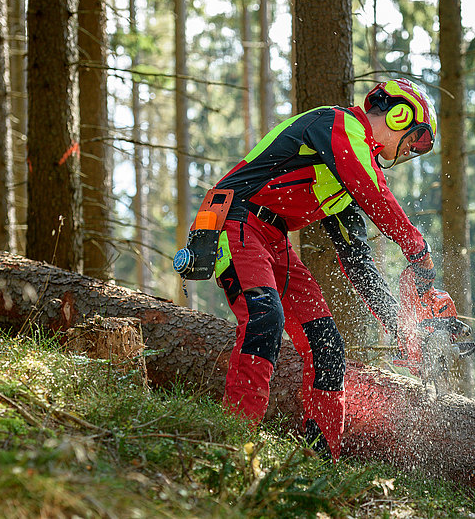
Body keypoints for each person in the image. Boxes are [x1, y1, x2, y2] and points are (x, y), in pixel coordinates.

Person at [178, 78, 438, 461]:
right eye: (413, 138)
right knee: (264, 317)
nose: (408, 151)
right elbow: (375, 193)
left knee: (327, 344)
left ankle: (320, 459)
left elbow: (359, 262)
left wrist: (401, 326)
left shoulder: (346, 178)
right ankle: (232, 440)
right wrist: (418, 249)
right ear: (400, 115)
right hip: (237, 218)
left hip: (273, 238)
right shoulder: (337, 125)